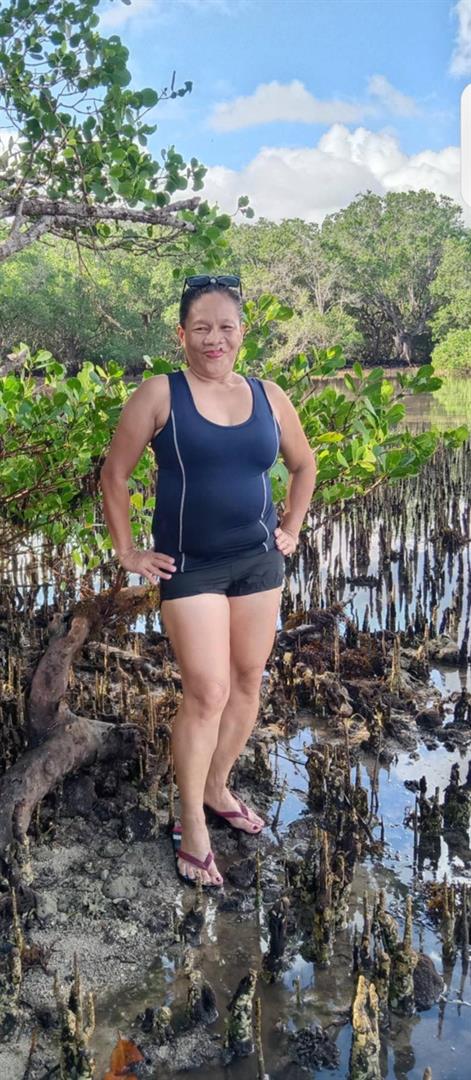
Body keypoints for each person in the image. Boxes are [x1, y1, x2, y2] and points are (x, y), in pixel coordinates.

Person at [100, 274, 316, 888]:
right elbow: (115, 475)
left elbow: (304, 465)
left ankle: (218, 787)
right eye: (201, 328)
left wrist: (291, 528)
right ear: (182, 334)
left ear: (242, 331)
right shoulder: (159, 394)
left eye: (225, 327)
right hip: (190, 566)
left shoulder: (270, 395)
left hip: (258, 563)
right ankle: (191, 820)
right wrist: (128, 551)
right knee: (209, 691)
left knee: (247, 680)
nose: (214, 339)